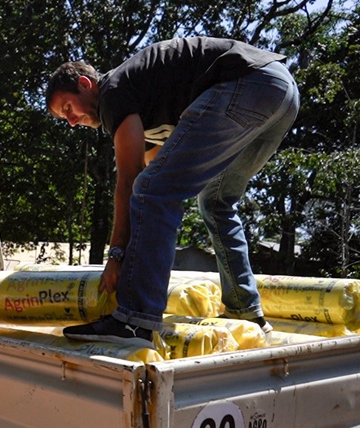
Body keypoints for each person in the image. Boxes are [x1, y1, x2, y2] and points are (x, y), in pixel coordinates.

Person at [45, 37, 299, 347]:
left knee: (150, 191)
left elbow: (131, 182)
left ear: (85, 84)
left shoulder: (112, 92)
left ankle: (134, 321)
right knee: (215, 202)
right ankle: (245, 311)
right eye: (64, 119)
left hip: (247, 83)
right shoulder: (141, 99)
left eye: (68, 109)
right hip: (280, 91)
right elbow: (156, 174)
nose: (71, 122)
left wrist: (116, 256)